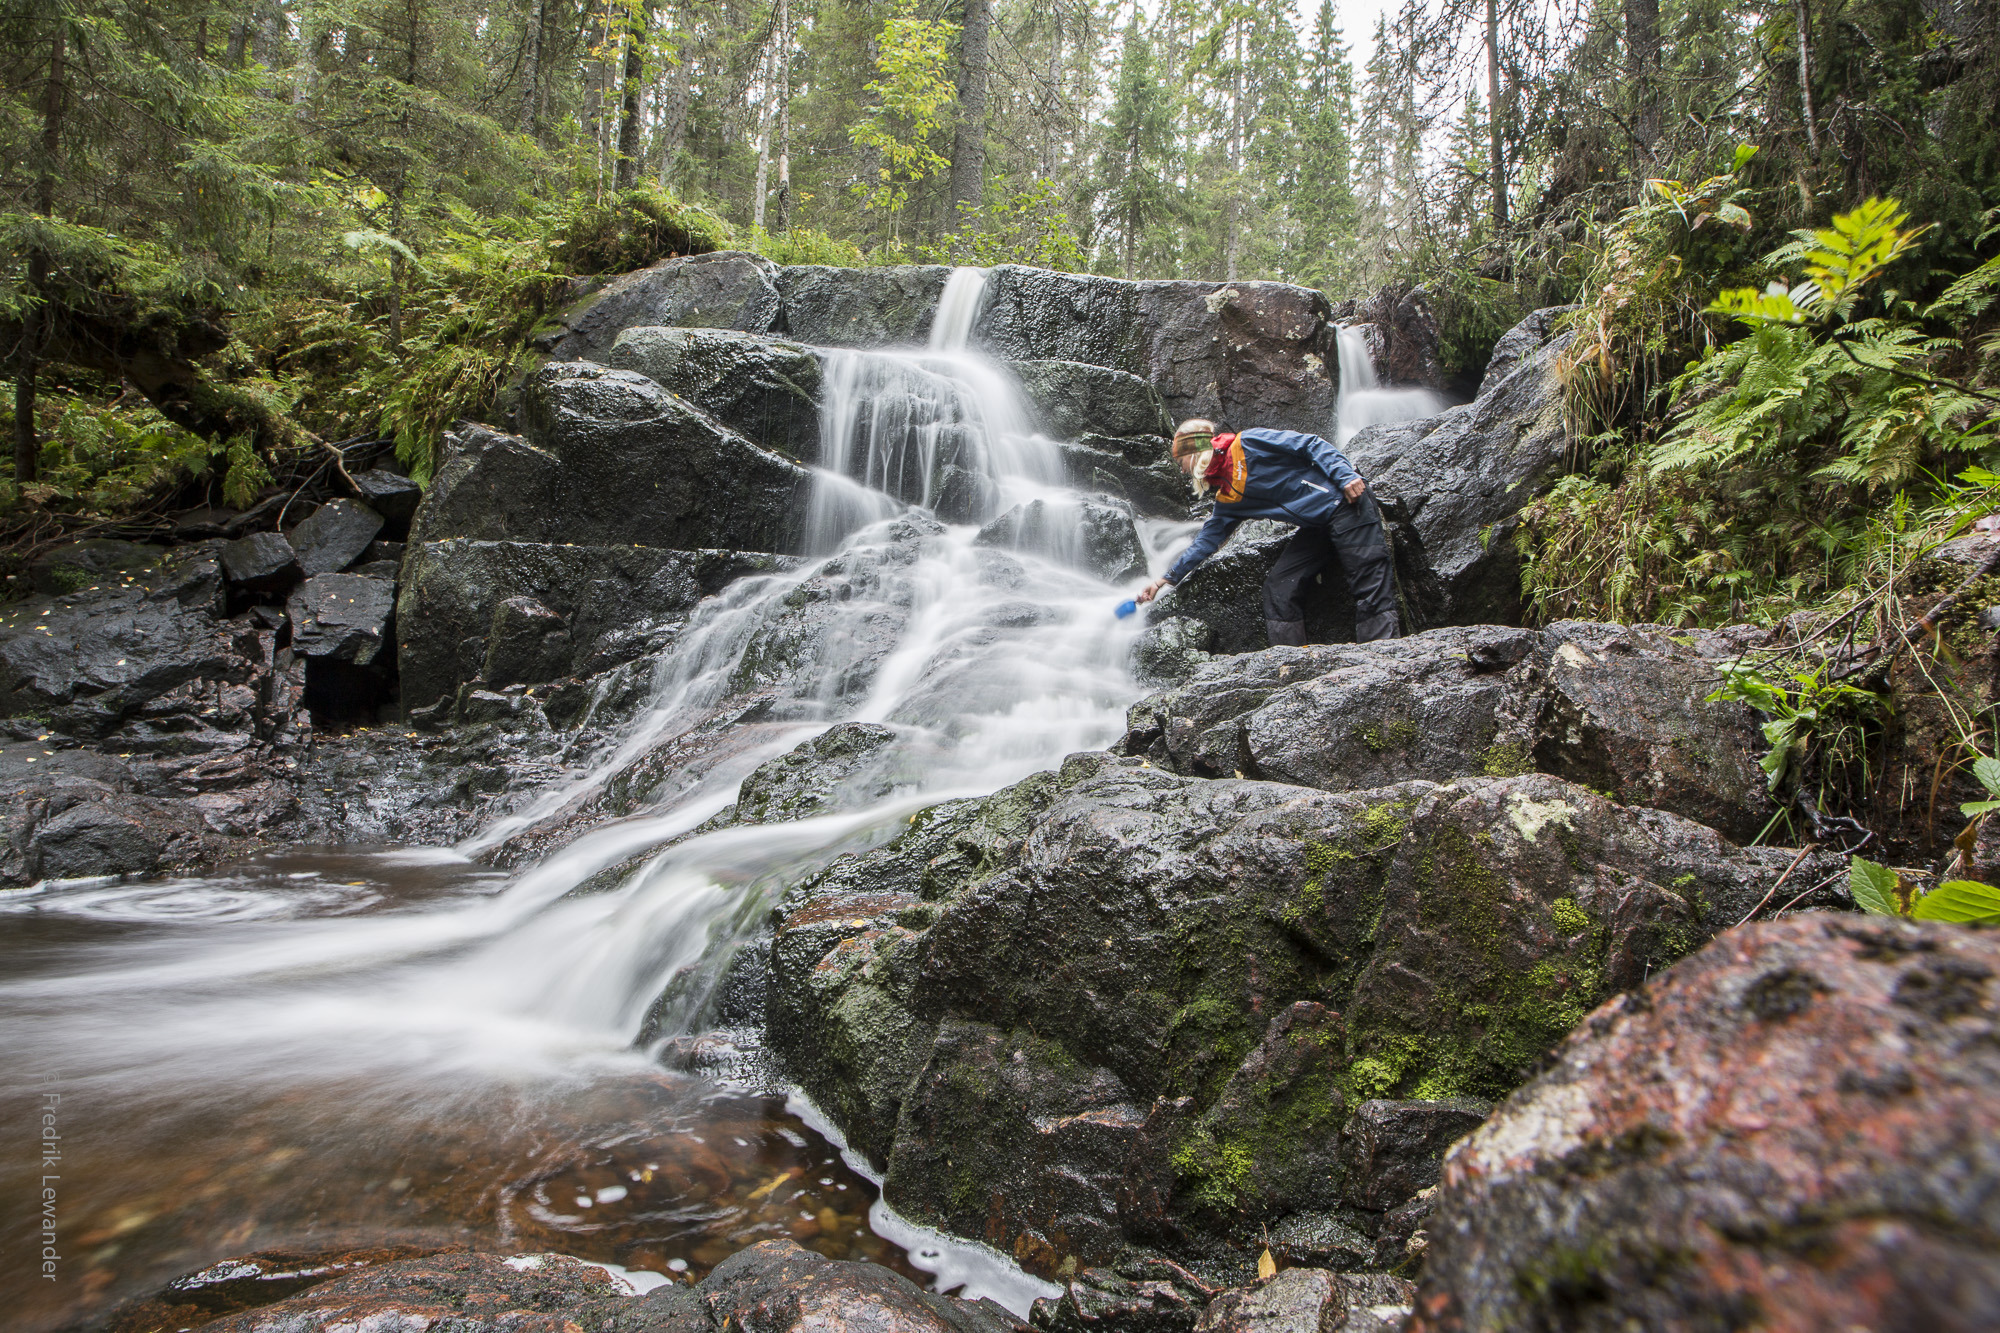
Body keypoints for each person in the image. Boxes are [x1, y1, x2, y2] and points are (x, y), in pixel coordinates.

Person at [1135, 418, 1400, 645]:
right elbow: (1205, 542)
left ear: (1194, 453)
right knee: (1279, 588)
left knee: (1369, 583)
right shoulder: (1228, 497)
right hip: (1317, 526)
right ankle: (1292, 664)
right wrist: (1164, 580)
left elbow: (1310, 444)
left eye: (1180, 460)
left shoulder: (1248, 443)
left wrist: (1346, 476)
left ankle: (1381, 654)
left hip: (1346, 502)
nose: (1181, 469)